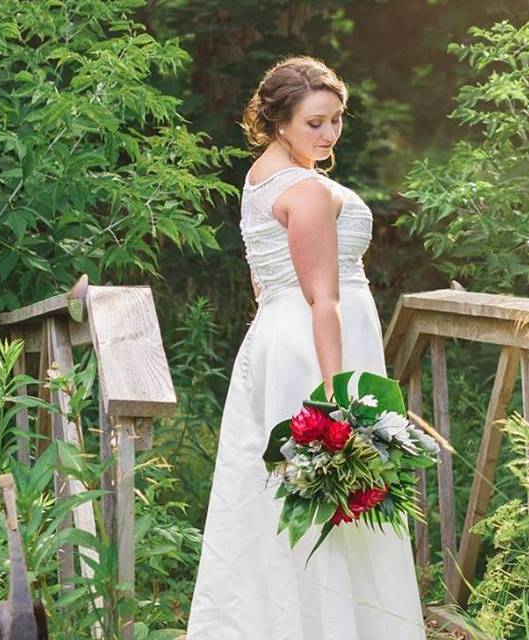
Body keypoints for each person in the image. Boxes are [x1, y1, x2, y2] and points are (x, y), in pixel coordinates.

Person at [186, 55, 428, 639]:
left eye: (336, 120)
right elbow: (323, 300)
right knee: (328, 488)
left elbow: (263, 283)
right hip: (320, 346)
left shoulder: (261, 177)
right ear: (278, 120)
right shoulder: (306, 191)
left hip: (277, 336)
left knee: (279, 492)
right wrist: (339, 396)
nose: (328, 134)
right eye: (314, 123)